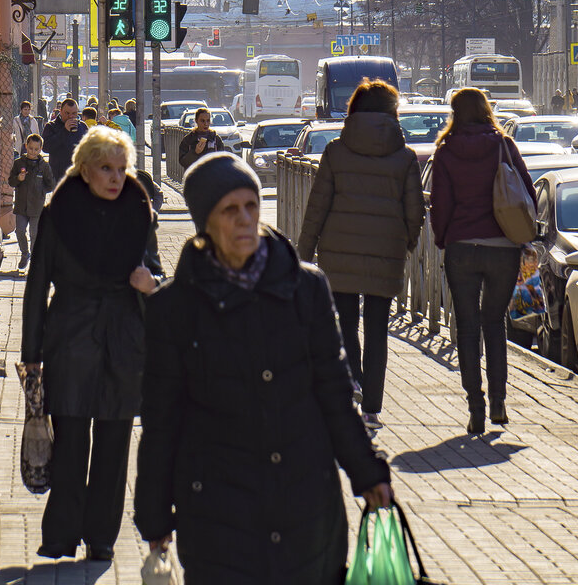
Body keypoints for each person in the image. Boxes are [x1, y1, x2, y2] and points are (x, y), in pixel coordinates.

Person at [135, 153, 392, 585]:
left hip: (306, 505)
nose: (245, 220)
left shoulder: (305, 287)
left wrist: (367, 473)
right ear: (205, 223)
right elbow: (161, 418)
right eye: (229, 211)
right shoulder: (174, 307)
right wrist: (155, 514)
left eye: (251, 206)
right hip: (218, 513)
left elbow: (334, 391)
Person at [21, 127, 162, 562]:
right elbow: (37, 283)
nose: (116, 177)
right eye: (106, 168)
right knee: (71, 442)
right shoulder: (59, 211)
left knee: (114, 443)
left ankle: (102, 537)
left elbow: (155, 271)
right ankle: (61, 535)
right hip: (71, 339)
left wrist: (151, 282)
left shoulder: (139, 211)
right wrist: (31, 357)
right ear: (85, 170)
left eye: (122, 168)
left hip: (123, 340)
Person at [297, 79, 424, 431]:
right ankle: (372, 407)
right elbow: (415, 212)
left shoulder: (336, 151)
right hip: (386, 252)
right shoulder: (405, 157)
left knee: (346, 322)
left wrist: (304, 253)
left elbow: (317, 206)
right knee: (378, 330)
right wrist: (405, 242)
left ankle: (353, 377)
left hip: (339, 254)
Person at [430, 87, 537, 434]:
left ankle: (475, 407)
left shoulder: (445, 153)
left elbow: (440, 205)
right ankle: (500, 402)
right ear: (486, 110)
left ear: (455, 114)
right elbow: (527, 192)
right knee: (494, 323)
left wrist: (443, 238)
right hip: (502, 247)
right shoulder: (504, 145)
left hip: (461, 246)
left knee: (466, 326)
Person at [8, 133, 54, 271]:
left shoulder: (44, 166)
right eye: (31, 148)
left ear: (40, 149)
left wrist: (41, 191)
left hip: (37, 206)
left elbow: (51, 183)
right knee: (20, 231)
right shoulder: (18, 163)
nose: (33, 152)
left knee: (35, 234)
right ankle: (24, 253)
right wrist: (19, 179)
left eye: (36, 149)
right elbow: (11, 181)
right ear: (26, 147)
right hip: (21, 205)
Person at [42, 98, 87, 183]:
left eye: (74, 113)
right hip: (59, 175)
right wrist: (65, 131)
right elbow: (45, 148)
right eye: (67, 113)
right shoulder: (51, 126)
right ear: (61, 111)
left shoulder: (82, 126)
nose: (71, 116)